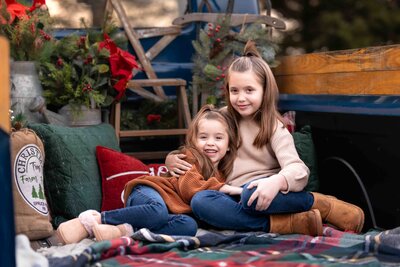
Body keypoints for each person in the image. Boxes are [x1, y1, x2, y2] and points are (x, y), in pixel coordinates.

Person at [166, 40, 365, 236]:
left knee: (250, 194)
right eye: (235, 90)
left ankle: (319, 203)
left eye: (249, 90)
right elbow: (196, 146)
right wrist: (173, 158)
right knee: (200, 201)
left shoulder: (272, 126)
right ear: (227, 91)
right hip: (233, 195)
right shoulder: (222, 118)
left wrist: (276, 182)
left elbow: (299, 171)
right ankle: (287, 224)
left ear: (265, 90)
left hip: (270, 194)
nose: (241, 98)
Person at [56, 105, 242, 244]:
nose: (210, 143)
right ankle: (94, 219)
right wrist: (226, 189)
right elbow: (189, 187)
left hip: (162, 212)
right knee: (157, 210)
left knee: (189, 226)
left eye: (218, 138)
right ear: (193, 141)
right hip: (149, 191)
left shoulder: (221, 174)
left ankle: (125, 230)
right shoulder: (190, 157)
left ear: (228, 145)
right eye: (203, 137)